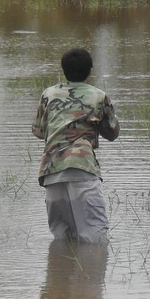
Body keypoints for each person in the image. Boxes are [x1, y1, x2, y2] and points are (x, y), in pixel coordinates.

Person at [32, 48, 120, 244]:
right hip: (83, 170)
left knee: (62, 240)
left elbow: (38, 131)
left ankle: (61, 274)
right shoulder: (99, 96)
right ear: (90, 71)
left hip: (51, 173)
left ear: (63, 70)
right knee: (95, 238)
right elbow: (112, 133)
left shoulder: (49, 94)